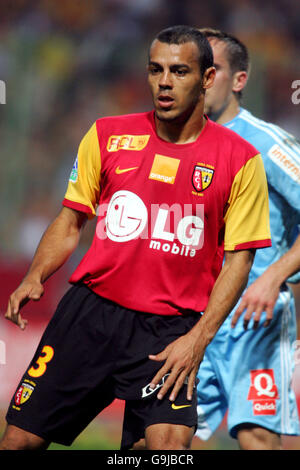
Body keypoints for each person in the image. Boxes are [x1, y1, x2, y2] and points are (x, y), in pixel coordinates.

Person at [0, 25, 271, 451]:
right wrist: (36, 275)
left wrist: (196, 341)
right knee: (18, 442)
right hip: (90, 315)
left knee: (169, 449)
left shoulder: (241, 161)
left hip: (171, 330)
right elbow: (71, 220)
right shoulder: (106, 134)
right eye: (155, 69)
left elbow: (240, 261)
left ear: (206, 78)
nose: (164, 82)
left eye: (179, 71)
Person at [194, 28, 300, 451]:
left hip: (254, 317)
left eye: (212, 69)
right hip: (191, 320)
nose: (200, 78)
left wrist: (273, 277)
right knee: (160, 439)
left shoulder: (267, 144)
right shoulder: (175, 146)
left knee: (257, 436)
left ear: (239, 80)